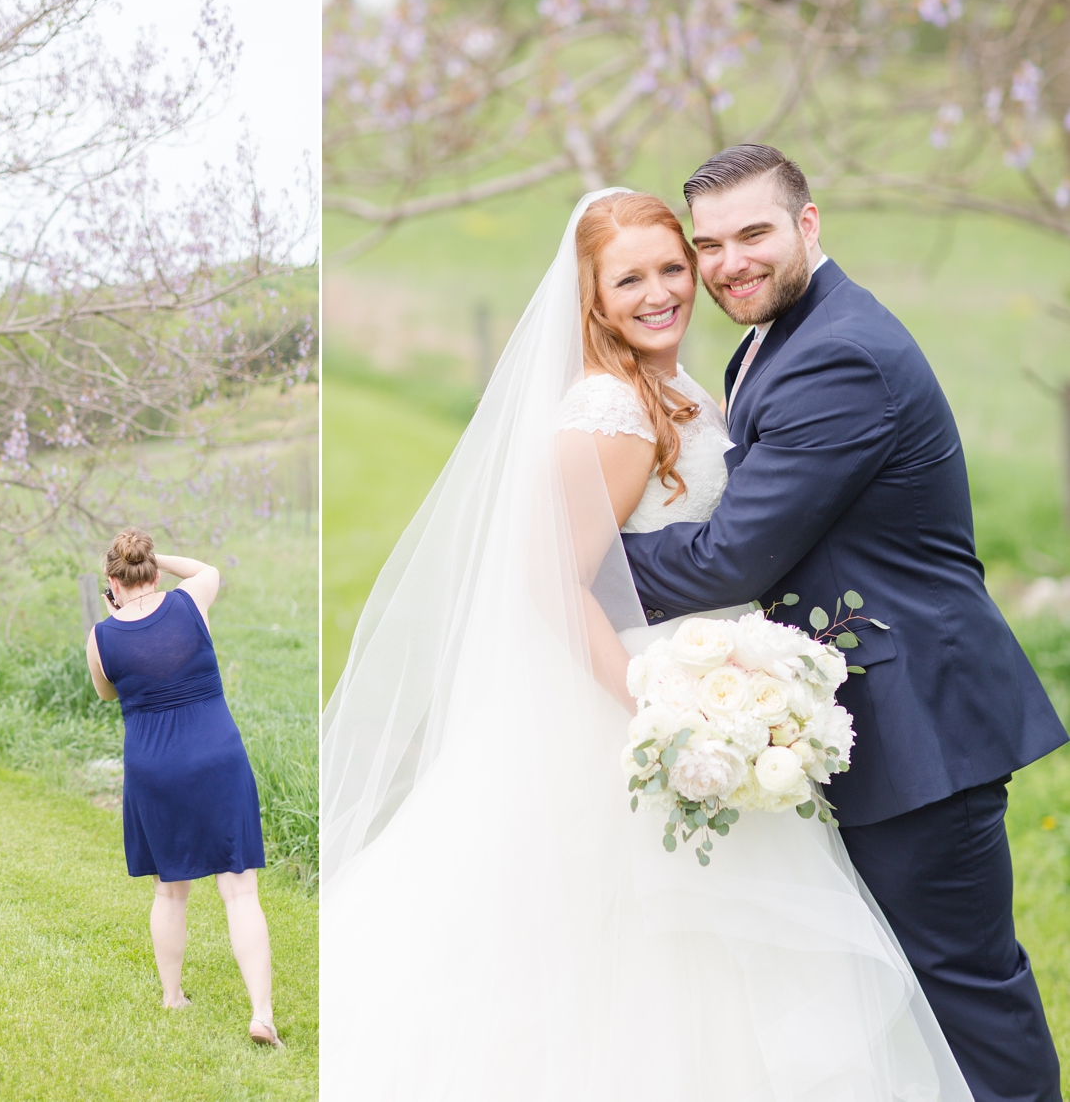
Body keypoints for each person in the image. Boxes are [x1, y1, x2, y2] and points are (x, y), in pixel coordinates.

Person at [321, 189, 974, 1098]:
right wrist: (658, 705)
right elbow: (552, 580)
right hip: (635, 707)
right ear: (591, 296)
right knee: (641, 959)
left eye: (674, 267)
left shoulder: (680, 388)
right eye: (629, 278)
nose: (660, 291)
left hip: (704, 690)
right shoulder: (614, 410)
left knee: (723, 954)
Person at [620, 145, 1065, 1102]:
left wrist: (582, 559)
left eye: (754, 234)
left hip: (920, 723)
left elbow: (731, 558)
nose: (729, 262)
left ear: (808, 225)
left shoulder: (839, 355)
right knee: (887, 992)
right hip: (856, 710)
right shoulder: (778, 333)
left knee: (963, 989)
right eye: (709, 245)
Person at [85, 528, 279, 1047]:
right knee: (238, 889)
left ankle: (173, 998)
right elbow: (205, 569)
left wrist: (119, 607)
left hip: (155, 767)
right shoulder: (192, 599)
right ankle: (261, 1012)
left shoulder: (100, 637)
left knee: (169, 892)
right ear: (153, 570)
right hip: (217, 755)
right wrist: (156, 564)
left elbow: (106, 693)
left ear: (112, 581)